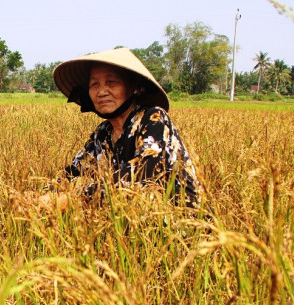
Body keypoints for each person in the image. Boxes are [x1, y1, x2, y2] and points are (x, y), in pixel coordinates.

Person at [36, 47, 201, 211]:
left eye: (111, 82)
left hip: (176, 223)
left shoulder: (154, 120)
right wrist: (42, 196)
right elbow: (73, 173)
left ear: (135, 87)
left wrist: (73, 198)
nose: (101, 92)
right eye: (94, 84)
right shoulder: (102, 134)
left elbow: (140, 177)